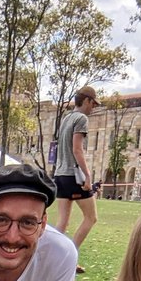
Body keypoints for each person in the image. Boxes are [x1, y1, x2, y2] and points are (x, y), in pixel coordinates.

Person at [54, 86, 102, 271]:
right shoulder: (81, 119)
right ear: (87, 101)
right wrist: (88, 175)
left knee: (63, 221)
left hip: (60, 174)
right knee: (91, 217)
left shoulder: (66, 118)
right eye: (93, 104)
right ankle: (69, 258)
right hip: (73, 176)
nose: (93, 108)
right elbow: (77, 149)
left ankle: (49, 258)